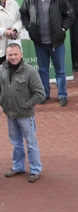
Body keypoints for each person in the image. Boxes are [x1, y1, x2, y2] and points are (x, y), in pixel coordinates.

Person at [20, 0, 74, 107]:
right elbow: (23, 14)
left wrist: (63, 29)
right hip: (40, 42)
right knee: (43, 70)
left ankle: (62, 94)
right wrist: (29, 27)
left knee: (60, 70)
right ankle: (44, 94)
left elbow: (70, 15)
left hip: (57, 42)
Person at [0, 42, 45, 183]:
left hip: (25, 115)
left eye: (15, 54)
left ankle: (35, 170)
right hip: (10, 114)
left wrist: (26, 105)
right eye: (10, 55)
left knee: (31, 143)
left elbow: (40, 94)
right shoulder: (2, 69)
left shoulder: (30, 71)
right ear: (6, 56)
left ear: (21, 55)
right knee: (16, 142)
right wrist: (2, 103)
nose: (13, 57)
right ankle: (18, 167)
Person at [0, 0, 21, 64]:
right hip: (1, 45)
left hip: (13, 43)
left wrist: (14, 29)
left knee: (14, 68)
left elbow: (20, 19)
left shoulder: (14, 4)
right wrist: (4, 32)